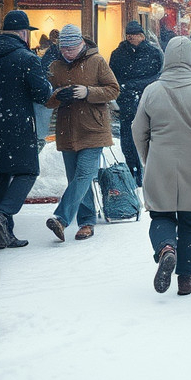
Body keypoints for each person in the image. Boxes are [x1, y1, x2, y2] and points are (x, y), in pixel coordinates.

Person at [132, 37, 191, 295]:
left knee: (161, 215)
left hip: (160, 162)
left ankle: (165, 248)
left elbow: (137, 130)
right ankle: (185, 279)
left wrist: (148, 157)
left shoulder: (152, 90)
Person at [0, 9, 52, 249]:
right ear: (24, 33)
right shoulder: (27, 59)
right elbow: (42, 94)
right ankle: (3, 215)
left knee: (0, 177)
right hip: (19, 126)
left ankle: (1, 236)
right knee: (28, 172)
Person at [44, 25, 120, 243]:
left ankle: (62, 218)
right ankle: (86, 221)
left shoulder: (97, 62)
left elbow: (113, 89)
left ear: (82, 44)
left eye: (72, 48)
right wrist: (59, 95)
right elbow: (47, 99)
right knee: (75, 178)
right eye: (64, 48)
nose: (68, 52)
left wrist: (88, 92)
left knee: (85, 174)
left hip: (93, 128)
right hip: (67, 129)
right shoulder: (55, 66)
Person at [108, 20, 163, 185]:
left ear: (142, 36)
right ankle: (134, 172)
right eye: (129, 35)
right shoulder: (118, 53)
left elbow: (158, 76)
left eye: (135, 35)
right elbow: (112, 77)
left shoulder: (153, 53)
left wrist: (134, 85)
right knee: (128, 139)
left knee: (150, 138)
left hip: (147, 100)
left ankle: (152, 172)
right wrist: (122, 90)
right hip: (126, 102)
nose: (131, 38)